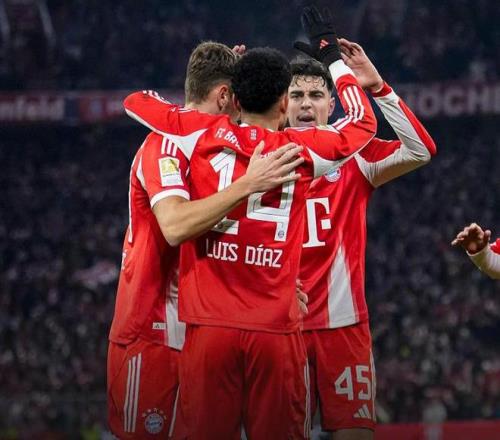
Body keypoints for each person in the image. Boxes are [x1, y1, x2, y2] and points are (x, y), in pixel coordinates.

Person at [123, 7, 377, 439]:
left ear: (235, 100)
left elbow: (137, 102)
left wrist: (222, 81)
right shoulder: (299, 152)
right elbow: (363, 122)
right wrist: (333, 58)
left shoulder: (199, 134)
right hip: (276, 330)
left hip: (210, 329)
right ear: (285, 103)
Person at [107, 41, 302, 439]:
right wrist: (248, 185)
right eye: (239, 99)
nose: (242, 114)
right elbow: (176, 225)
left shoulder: (215, 150)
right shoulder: (166, 143)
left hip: (204, 330)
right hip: (155, 331)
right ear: (225, 96)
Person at [287, 40, 436, 439]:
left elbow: (420, 151)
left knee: (355, 433)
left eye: (316, 95)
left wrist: (377, 87)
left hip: (344, 327)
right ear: (282, 104)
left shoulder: (356, 157)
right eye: (296, 95)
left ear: (332, 104)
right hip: (281, 328)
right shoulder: (260, 157)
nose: (306, 104)